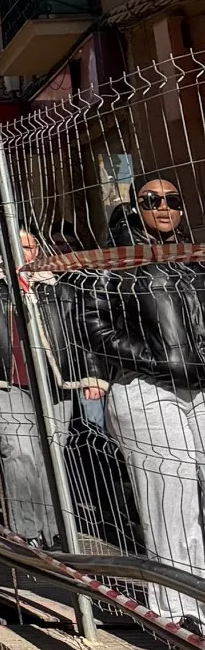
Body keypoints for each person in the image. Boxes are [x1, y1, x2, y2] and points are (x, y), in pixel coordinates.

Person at [80, 176, 205, 626]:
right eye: (153, 200)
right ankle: (178, 617)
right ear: (137, 206)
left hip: (200, 388)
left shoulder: (192, 257)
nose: (164, 207)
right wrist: (154, 359)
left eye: (173, 199)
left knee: (196, 502)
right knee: (170, 503)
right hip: (145, 388)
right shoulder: (120, 256)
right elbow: (94, 323)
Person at [0, 230, 92, 546]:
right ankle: (27, 533)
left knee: (52, 453)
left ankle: (56, 530)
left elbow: (79, 333)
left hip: (55, 382)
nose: (22, 251)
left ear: (36, 250)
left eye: (28, 246)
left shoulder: (57, 286)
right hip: (4, 382)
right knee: (19, 452)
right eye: (15, 244)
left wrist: (92, 375)